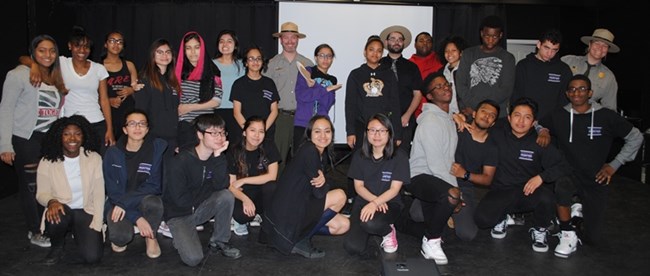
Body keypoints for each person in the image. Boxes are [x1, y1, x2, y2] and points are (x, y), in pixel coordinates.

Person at [540, 75, 643, 257]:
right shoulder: (558, 115)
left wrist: (614, 165)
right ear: (567, 93)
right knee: (562, 186)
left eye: (581, 89)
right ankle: (566, 231)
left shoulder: (606, 116)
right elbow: (537, 123)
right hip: (569, 173)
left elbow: (636, 137)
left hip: (596, 177)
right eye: (572, 89)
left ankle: (576, 213)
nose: (576, 92)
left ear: (590, 93)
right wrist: (543, 130)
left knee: (592, 238)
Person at [474, 97, 570, 253]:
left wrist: (541, 177)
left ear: (534, 122)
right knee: (482, 220)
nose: (521, 121)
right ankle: (503, 217)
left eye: (527, 117)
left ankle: (540, 228)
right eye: (517, 115)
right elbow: (478, 124)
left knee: (547, 197)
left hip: (528, 192)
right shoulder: (497, 133)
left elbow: (563, 165)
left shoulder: (540, 142)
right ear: (509, 118)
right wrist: (459, 118)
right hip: (501, 190)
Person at [1, 35, 66, 248]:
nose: (47, 55)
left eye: (52, 51)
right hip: (26, 139)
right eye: (42, 50)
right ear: (33, 53)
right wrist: (5, 145)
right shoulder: (18, 75)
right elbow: (6, 109)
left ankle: (47, 226)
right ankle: (35, 231)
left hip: (48, 140)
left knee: (47, 185)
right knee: (31, 187)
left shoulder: (54, 76)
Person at [262, 115, 349, 259]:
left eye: (327, 131)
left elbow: (317, 188)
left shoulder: (319, 153)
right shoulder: (310, 151)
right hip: (289, 213)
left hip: (299, 205)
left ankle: (298, 233)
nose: (323, 136)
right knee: (340, 195)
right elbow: (320, 192)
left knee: (343, 225)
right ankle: (300, 239)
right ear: (309, 134)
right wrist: (325, 183)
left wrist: (324, 181)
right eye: (317, 131)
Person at [162, 113, 241, 266]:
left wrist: (218, 156)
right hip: (180, 213)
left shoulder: (217, 157)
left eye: (222, 132)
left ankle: (219, 241)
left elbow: (221, 185)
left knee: (226, 195)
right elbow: (178, 198)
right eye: (213, 133)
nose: (219, 137)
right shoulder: (180, 161)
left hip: (199, 208)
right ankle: (176, 232)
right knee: (193, 259)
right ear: (200, 135)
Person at [401, 72, 462, 265]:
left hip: (436, 178)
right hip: (419, 177)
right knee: (451, 196)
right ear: (429, 96)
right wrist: (457, 193)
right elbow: (436, 164)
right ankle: (430, 242)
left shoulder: (449, 119)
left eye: (447, 84)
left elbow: (448, 161)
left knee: (459, 232)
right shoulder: (430, 121)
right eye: (439, 86)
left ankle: (401, 223)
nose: (445, 88)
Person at [26, 26, 114, 153]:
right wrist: (33, 65)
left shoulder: (99, 68)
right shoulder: (61, 63)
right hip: (71, 124)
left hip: (96, 122)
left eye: (86, 47)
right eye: (77, 45)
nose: (82, 50)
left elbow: (104, 100)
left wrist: (109, 129)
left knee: (97, 164)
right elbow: (24, 59)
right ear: (70, 46)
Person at [36, 115, 104, 265]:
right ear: (59, 136)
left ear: (83, 136)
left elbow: (99, 194)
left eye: (77, 133)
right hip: (61, 210)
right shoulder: (47, 161)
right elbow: (41, 193)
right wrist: (51, 201)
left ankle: (78, 231)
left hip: (86, 210)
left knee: (92, 257)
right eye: (66, 134)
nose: (72, 138)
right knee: (56, 214)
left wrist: (98, 222)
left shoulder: (94, 158)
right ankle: (57, 247)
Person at [103, 109, 167, 258]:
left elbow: (154, 185)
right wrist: (137, 218)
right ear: (125, 129)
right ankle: (130, 225)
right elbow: (112, 191)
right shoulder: (112, 153)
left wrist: (126, 204)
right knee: (120, 239)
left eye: (142, 124)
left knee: (154, 203)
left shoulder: (155, 149)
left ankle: (151, 237)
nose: (137, 128)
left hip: (140, 200)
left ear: (147, 129)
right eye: (132, 124)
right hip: (117, 201)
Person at [344, 113, 410, 256]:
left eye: (381, 130)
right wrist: (373, 200)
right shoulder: (359, 155)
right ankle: (372, 229)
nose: (377, 134)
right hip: (363, 201)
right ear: (366, 133)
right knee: (353, 247)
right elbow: (358, 187)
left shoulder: (400, 156)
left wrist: (375, 203)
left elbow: (394, 190)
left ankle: (388, 231)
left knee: (371, 223)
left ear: (389, 133)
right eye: (372, 130)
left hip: (389, 203)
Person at [265, 22, 314, 172]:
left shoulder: (307, 64)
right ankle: (277, 191)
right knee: (278, 158)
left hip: (303, 116)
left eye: (293, 37)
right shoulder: (272, 64)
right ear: (280, 40)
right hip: (281, 117)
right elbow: (265, 93)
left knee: (302, 157)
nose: (290, 41)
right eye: (286, 37)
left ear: (298, 39)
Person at [448, 99, 499, 241]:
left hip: (465, 188)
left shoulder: (491, 147)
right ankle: (446, 211)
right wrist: (454, 116)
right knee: (417, 214)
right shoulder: (459, 128)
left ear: (493, 123)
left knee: (467, 233)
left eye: (492, 115)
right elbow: (440, 114)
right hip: (443, 180)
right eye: (483, 111)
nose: (487, 116)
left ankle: (451, 212)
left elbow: (488, 178)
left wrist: (465, 174)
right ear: (475, 113)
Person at [346, 35, 402, 151]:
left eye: (379, 51)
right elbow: (350, 105)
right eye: (371, 49)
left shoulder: (389, 74)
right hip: (361, 128)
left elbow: (395, 104)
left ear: (382, 54)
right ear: (365, 52)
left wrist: (397, 133)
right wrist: (350, 132)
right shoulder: (355, 74)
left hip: (384, 127)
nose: (375, 53)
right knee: (362, 162)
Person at [455, 15, 516, 119]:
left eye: (494, 37)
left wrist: (482, 108)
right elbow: (461, 84)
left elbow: (506, 89)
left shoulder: (507, 58)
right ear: (481, 34)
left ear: (501, 35)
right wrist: (475, 107)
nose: (490, 40)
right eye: (487, 36)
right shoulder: (468, 54)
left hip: (496, 115)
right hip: (470, 112)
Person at [227, 116, 279, 236]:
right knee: (242, 217)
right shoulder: (234, 151)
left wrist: (244, 180)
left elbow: (272, 176)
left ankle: (263, 216)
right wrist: (245, 199)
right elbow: (232, 186)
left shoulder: (269, 146)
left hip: (262, 194)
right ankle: (240, 217)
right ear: (244, 132)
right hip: (243, 194)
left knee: (272, 186)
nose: (257, 135)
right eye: (252, 130)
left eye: (261, 131)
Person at [175, 31, 223, 150]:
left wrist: (190, 107)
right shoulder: (178, 72)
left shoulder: (212, 70)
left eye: (197, 47)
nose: (192, 52)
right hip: (185, 127)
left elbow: (216, 101)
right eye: (188, 48)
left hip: (207, 127)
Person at [511, 28, 572, 120]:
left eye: (554, 50)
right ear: (539, 44)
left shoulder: (563, 69)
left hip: (552, 121)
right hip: (526, 120)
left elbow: (564, 100)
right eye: (546, 48)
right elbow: (516, 95)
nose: (549, 53)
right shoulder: (523, 65)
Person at [134, 38, 181, 156]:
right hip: (153, 138)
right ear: (152, 55)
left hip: (173, 139)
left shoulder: (174, 80)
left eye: (167, 52)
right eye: (159, 52)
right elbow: (141, 112)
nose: (164, 55)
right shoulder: (144, 80)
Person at [379, 25, 423, 152]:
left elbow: (418, 94)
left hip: (405, 119)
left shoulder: (412, 67)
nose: (396, 42)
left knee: (401, 156)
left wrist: (407, 115)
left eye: (399, 39)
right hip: (382, 119)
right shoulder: (378, 65)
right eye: (392, 38)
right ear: (386, 42)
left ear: (403, 43)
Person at [293, 43, 341, 153]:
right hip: (303, 123)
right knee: (300, 157)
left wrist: (314, 87)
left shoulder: (332, 80)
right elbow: (301, 96)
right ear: (315, 57)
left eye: (329, 56)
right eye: (322, 55)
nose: (325, 59)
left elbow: (327, 103)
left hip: (322, 125)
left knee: (319, 159)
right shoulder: (307, 72)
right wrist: (325, 90)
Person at [230, 46, 279, 146]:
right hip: (244, 133)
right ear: (246, 63)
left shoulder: (269, 83)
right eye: (251, 58)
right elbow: (237, 112)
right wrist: (249, 132)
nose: (255, 62)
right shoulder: (238, 84)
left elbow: (274, 111)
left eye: (258, 58)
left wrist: (262, 131)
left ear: (262, 62)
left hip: (266, 133)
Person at [561, 28, 620, 111]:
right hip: (561, 114)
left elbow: (610, 109)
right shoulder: (567, 61)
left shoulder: (609, 77)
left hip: (588, 118)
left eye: (605, 46)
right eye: (597, 43)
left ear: (607, 50)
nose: (600, 48)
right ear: (590, 44)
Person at [102, 30, 141, 141]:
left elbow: (136, 88)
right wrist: (109, 100)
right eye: (112, 41)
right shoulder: (98, 66)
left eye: (119, 42)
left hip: (127, 113)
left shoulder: (129, 65)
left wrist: (131, 90)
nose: (116, 44)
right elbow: (92, 93)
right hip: (108, 115)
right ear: (106, 44)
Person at [213, 30, 245, 146]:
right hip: (215, 111)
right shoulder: (211, 65)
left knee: (236, 147)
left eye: (229, 41)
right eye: (222, 41)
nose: (225, 45)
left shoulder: (243, 65)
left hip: (237, 112)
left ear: (235, 45)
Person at [409, 32, 444, 119]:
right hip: (414, 112)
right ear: (415, 45)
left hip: (438, 110)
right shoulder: (408, 64)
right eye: (421, 41)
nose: (425, 43)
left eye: (428, 41)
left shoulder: (440, 60)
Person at [439, 35, 468, 115]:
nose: (449, 54)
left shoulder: (467, 70)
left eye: (453, 50)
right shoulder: (440, 72)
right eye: (446, 51)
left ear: (461, 52)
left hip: (464, 114)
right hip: (446, 114)